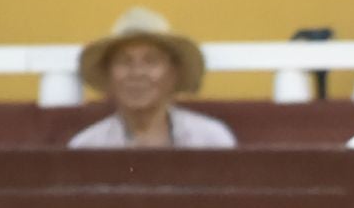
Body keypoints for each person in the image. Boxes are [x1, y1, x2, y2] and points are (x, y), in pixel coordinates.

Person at [68, 8, 236, 149]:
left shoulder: (211, 140)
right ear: (109, 74)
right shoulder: (87, 146)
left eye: (151, 61)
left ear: (173, 73)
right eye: (125, 61)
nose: (137, 72)